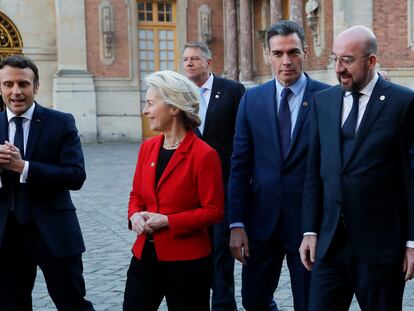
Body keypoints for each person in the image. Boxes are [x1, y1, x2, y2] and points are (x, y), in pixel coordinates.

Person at [299, 25, 414, 310]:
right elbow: (314, 173)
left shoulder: (404, 102)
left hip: (380, 249)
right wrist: (309, 231)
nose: (339, 68)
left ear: (372, 61)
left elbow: (411, 179)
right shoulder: (322, 103)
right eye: (335, 59)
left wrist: (412, 242)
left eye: (347, 60)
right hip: (330, 246)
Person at [227, 20, 329, 311]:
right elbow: (240, 165)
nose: (286, 61)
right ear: (267, 55)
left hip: (308, 226)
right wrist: (236, 223)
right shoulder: (251, 100)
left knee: (310, 304)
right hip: (261, 224)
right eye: (278, 53)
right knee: (253, 300)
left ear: (305, 52)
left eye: (293, 52)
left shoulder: (326, 98)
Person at [123, 70, 224, 311]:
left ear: (174, 107)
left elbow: (214, 211)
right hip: (144, 256)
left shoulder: (204, 155)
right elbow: (136, 195)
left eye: (150, 103)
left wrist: (168, 221)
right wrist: (134, 215)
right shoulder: (148, 147)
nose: (145, 111)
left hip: (187, 263)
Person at [0, 55, 94, 310]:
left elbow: (75, 175)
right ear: (1, 88)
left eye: (23, 84)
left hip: (53, 231)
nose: (16, 92)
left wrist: (24, 167)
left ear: (36, 86)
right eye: (8, 84)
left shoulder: (61, 122)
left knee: (72, 303)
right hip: (6, 236)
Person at [183, 41, 245, 311]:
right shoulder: (179, 95)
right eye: (185, 59)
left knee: (221, 255)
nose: (188, 63)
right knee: (195, 256)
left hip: (223, 186)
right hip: (190, 191)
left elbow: (242, 137)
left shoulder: (232, 91)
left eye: (194, 58)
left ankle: (223, 305)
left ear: (209, 63)